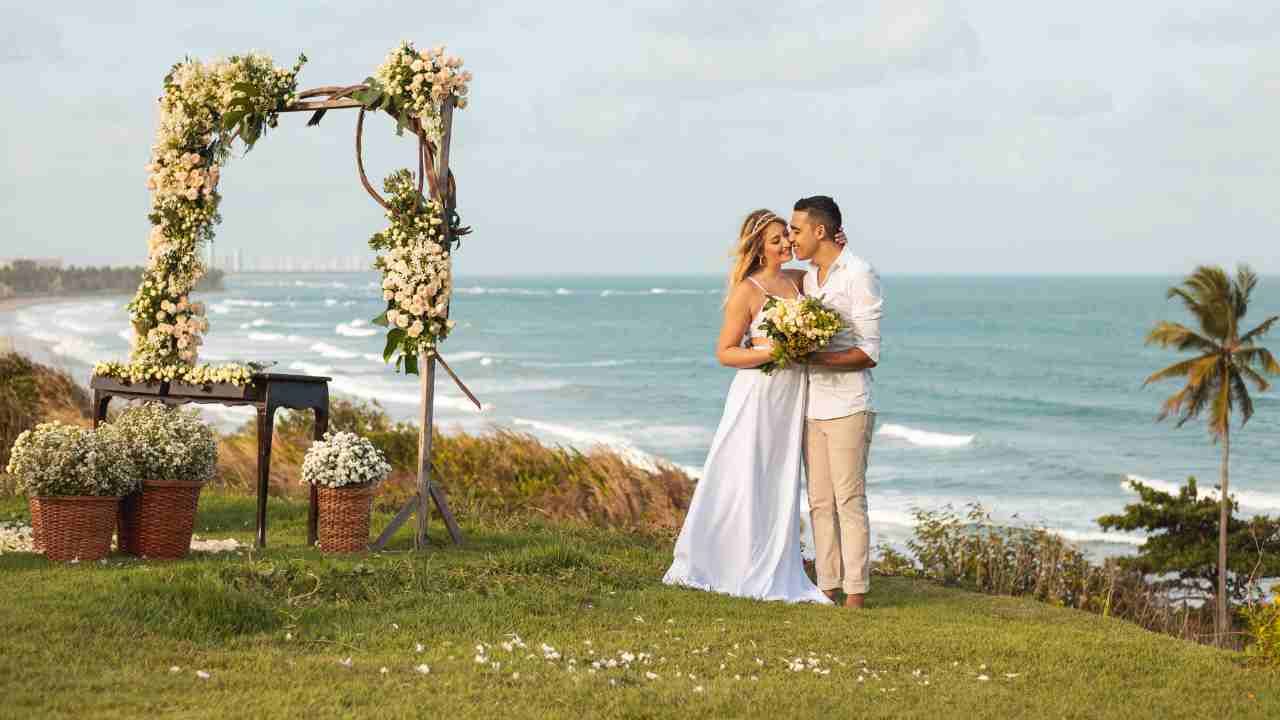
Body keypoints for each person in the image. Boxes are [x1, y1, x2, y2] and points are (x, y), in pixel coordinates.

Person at [661, 209, 831, 604]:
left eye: (786, 237)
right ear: (758, 248)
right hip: (758, 395)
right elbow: (724, 353)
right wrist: (773, 351)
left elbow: (827, 275)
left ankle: (774, 560)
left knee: (779, 477)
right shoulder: (748, 290)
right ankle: (725, 561)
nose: (786, 244)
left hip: (791, 398)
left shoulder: (797, 280)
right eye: (776, 240)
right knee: (744, 473)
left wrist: (833, 246)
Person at [789, 195, 883, 609]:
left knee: (849, 500)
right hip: (812, 408)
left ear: (820, 231)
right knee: (819, 502)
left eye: (795, 230)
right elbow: (769, 271)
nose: (791, 238)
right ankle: (826, 587)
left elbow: (869, 352)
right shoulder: (809, 279)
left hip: (849, 406)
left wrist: (814, 357)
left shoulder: (858, 273)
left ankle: (856, 594)